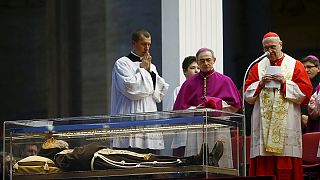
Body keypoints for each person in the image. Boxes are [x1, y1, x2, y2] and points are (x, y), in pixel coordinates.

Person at [244, 32, 313, 179]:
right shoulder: (257, 67)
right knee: (264, 164)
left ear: (281, 45)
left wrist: (285, 83)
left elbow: (306, 93)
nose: (270, 51)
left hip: (287, 123)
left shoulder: (295, 65)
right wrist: (261, 84)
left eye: (273, 47)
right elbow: (247, 95)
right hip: (263, 125)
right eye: (266, 48)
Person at [173, 48, 242, 168]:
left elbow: (235, 106)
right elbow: (179, 109)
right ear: (198, 63)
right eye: (202, 61)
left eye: (208, 60)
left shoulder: (225, 81)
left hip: (218, 126)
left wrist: (217, 105)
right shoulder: (189, 83)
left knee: (220, 162)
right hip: (197, 128)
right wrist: (197, 109)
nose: (205, 63)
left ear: (214, 60)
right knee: (197, 162)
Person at [110, 28, 169, 152]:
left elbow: (157, 94)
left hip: (149, 117)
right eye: (143, 44)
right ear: (133, 43)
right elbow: (131, 89)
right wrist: (142, 70)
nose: (147, 48)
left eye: (149, 44)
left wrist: (148, 71)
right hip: (129, 117)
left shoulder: (151, 66)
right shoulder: (122, 63)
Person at [300, 55, 320, 133]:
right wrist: (300, 116)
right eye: (303, 67)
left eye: (309, 67)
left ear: (318, 68)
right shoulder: (296, 85)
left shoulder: (319, 86)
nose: (306, 70)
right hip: (299, 125)